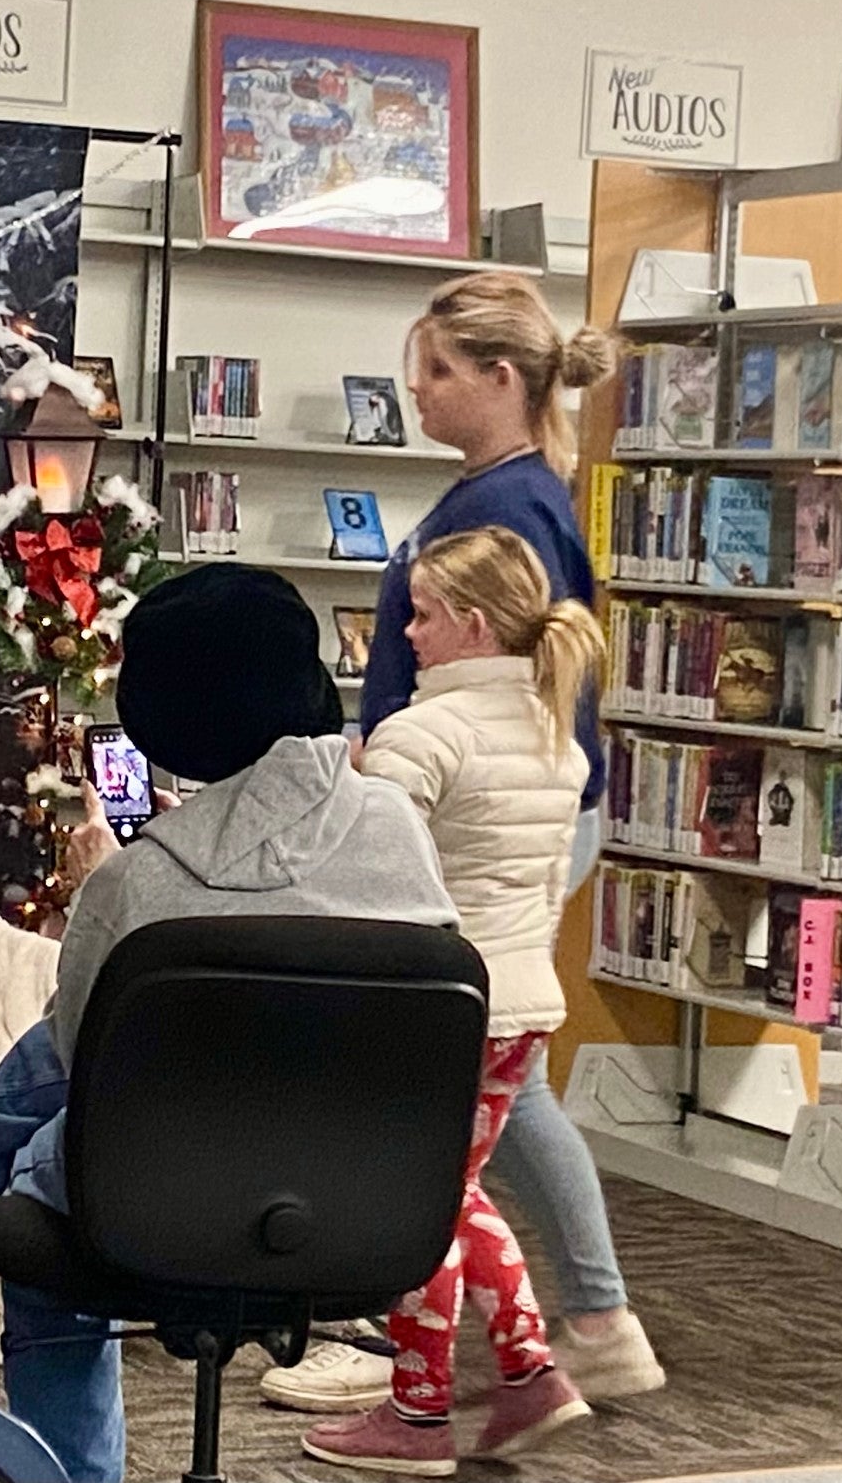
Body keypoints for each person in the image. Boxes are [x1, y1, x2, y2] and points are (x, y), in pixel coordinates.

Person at [0, 564, 458, 1483]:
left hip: (162, 1196)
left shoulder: (140, 882)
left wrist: (106, 884)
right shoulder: (397, 831)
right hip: (367, 1201)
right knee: (43, 1099)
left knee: (39, 1139)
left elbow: (83, 1056)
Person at [268, 270, 665, 1414]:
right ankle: (584, 1319)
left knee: (434, 1101)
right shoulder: (498, 492)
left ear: (499, 379)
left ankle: (419, 1319)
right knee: (501, 1081)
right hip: (464, 803)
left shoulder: (510, 509)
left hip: (468, 814)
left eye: (438, 371)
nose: (418, 392)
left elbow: (503, 702)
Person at [303, 526, 602, 1475]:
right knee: (456, 1191)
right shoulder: (556, 738)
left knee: (418, 1199)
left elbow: (371, 881)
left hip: (435, 1003)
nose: (407, 636)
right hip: (521, 999)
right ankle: (527, 1373)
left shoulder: (421, 736)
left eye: (423, 616)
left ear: (471, 624)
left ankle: (419, 1412)